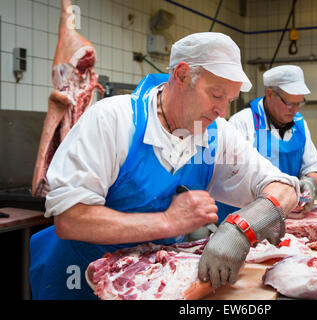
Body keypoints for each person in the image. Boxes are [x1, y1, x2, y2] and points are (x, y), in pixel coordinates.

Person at [29, 33, 302, 299]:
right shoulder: (114, 119)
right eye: (216, 95)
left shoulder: (217, 134)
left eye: (229, 101)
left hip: (147, 283)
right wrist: (167, 222)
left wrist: (241, 229)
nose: (222, 111)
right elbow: (70, 219)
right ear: (181, 75)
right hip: (78, 280)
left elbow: (285, 188)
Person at [225, 65, 317, 215]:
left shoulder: (299, 123)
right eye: (289, 103)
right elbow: (229, 176)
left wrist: (310, 183)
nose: (295, 110)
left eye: (299, 103)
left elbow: (312, 167)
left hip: (287, 216)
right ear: (270, 94)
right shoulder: (242, 122)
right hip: (245, 217)